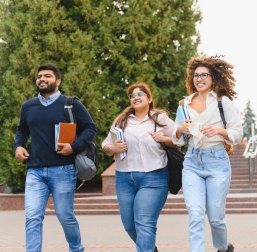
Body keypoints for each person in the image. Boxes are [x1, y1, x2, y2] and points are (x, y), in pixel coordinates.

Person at [14, 64, 96, 252]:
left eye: (47, 76)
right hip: (35, 170)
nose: (42, 79)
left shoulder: (71, 103)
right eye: (39, 76)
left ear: (58, 81)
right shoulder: (28, 106)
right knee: (33, 216)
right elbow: (22, 131)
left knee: (65, 215)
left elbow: (90, 128)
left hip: (63, 170)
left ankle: (76, 248)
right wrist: (18, 146)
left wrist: (74, 147)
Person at [173, 55, 243, 252]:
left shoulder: (223, 102)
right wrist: (180, 131)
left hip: (217, 162)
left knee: (215, 217)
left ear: (213, 78)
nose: (199, 79)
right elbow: (178, 139)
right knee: (195, 214)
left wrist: (219, 131)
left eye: (204, 75)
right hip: (192, 161)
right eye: (196, 75)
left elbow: (238, 134)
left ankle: (222, 247)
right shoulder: (183, 105)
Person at [102, 82, 176, 252]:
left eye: (140, 94)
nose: (135, 97)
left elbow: (179, 140)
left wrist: (163, 139)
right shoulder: (122, 121)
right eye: (132, 95)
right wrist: (112, 148)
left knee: (144, 223)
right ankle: (149, 248)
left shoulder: (160, 118)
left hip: (154, 177)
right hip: (124, 178)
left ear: (149, 98)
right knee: (129, 225)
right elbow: (105, 144)